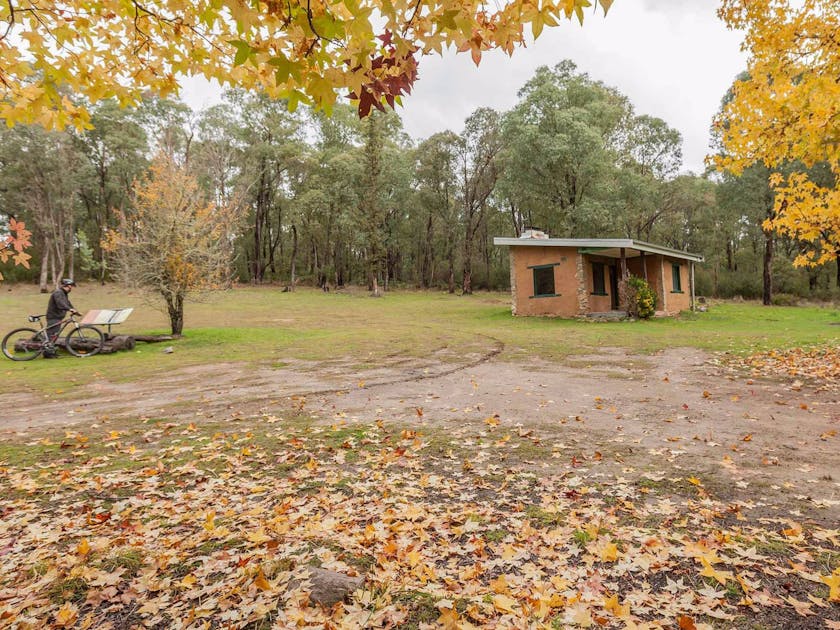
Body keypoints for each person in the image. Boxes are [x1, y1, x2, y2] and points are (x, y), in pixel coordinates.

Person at [45, 278, 81, 357]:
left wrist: (74, 310)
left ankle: (50, 352)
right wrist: (69, 309)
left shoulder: (64, 294)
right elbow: (60, 304)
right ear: (68, 286)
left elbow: (67, 303)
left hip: (57, 317)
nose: (71, 288)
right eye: (71, 286)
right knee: (52, 336)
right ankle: (48, 354)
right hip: (53, 317)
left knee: (54, 335)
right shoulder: (58, 293)